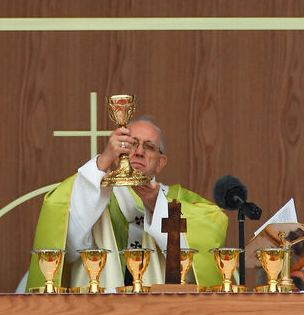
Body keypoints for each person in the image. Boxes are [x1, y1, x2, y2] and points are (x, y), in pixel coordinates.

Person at [25, 116, 227, 291]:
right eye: (131, 145)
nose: (139, 152)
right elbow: (66, 238)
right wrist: (102, 161)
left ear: (161, 162)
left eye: (149, 147)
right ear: (117, 155)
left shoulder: (176, 198)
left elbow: (206, 237)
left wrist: (158, 206)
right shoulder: (95, 192)